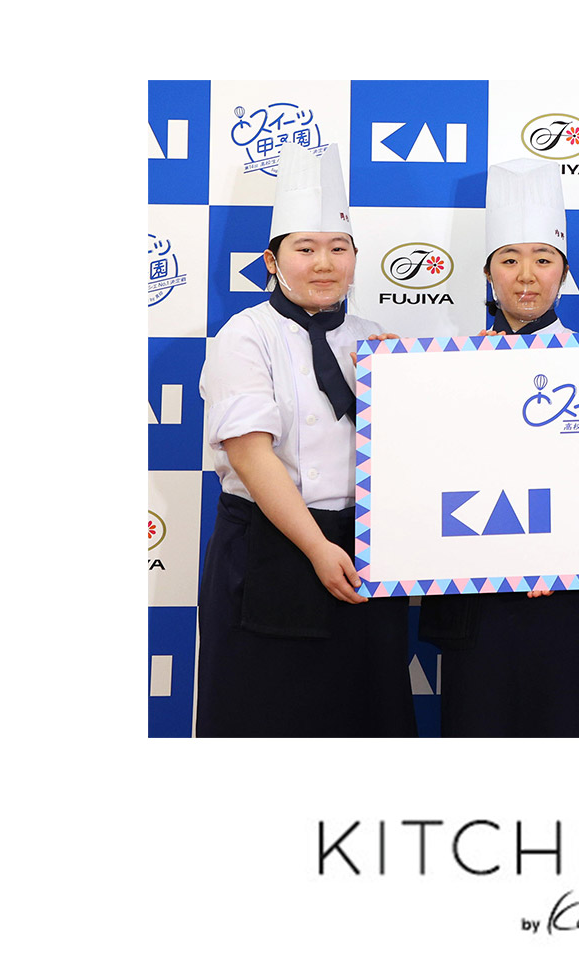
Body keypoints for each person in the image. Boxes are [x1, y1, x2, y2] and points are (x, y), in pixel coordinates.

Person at [195, 142, 417, 737]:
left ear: (355, 258)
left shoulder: (377, 338)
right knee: (267, 719)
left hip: (362, 553)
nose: (324, 263)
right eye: (305, 249)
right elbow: (250, 455)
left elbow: (413, 455)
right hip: (270, 551)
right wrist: (317, 549)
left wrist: (407, 387)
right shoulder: (245, 335)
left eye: (338, 248)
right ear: (272, 260)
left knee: (364, 718)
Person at [417, 158, 579, 737]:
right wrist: (390, 385)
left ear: (564, 272)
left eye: (543, 259)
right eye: (509, 260)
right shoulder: (443, 369)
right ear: (488, 272)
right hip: (478, 600)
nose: (526, 276)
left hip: (575, 599)